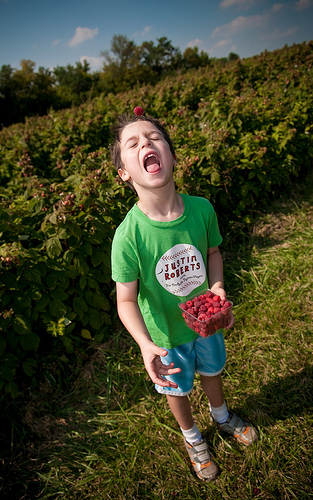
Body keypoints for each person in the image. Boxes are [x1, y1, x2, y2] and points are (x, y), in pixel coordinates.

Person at [110, 109, 258, 481]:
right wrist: (146, 344)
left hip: (206, 325)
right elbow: (126, 300)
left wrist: (217, 287)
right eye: (133, 143)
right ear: (124, 173)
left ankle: (221, 415)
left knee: (212, 371)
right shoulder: (128, 237)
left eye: (154, 137)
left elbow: (212, 254)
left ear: (172, 156)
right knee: (177, 389)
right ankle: (193, 438)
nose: (145, 142)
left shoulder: (201, 209)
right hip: (165, 338)